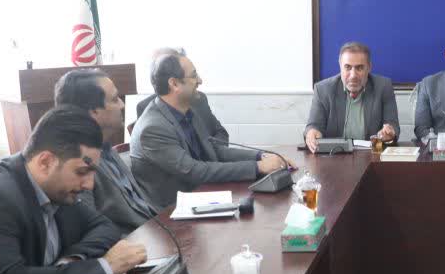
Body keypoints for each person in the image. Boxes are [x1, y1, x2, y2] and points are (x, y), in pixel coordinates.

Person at [0, 108, 145, 274]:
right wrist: (104, 267)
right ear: (45, 162)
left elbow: (104, 226)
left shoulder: (56, 188)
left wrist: (72, 260)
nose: (89, 185)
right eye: (82, 172)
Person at [131, 52, 284, 208]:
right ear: (174, 84)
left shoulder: (187, 110)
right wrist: (258, 167)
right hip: (170, 212)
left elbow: (215, 151)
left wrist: (261, 156)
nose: (200, 81)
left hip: (201, 195)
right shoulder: (153, 128)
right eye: (194, 75)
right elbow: (194, 171)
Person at [55, 68, 157, 232]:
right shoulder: (76, 163)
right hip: (130, 242)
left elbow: (139, 206)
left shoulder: (104, 146)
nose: (122, 105)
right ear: (93, 111)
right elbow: (89, 231)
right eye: (115, 99)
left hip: (153, 228)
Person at [304, 42, 399, 152]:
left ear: (369, 67)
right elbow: (314, 125)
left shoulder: (383, 87)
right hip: (334, 155)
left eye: (359, 68)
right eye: (348, 67)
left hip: (371, 155)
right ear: (340, 66)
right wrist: (312, 132)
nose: (353, 75)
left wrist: (389, 134)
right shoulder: (323, 90)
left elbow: (393, 126)